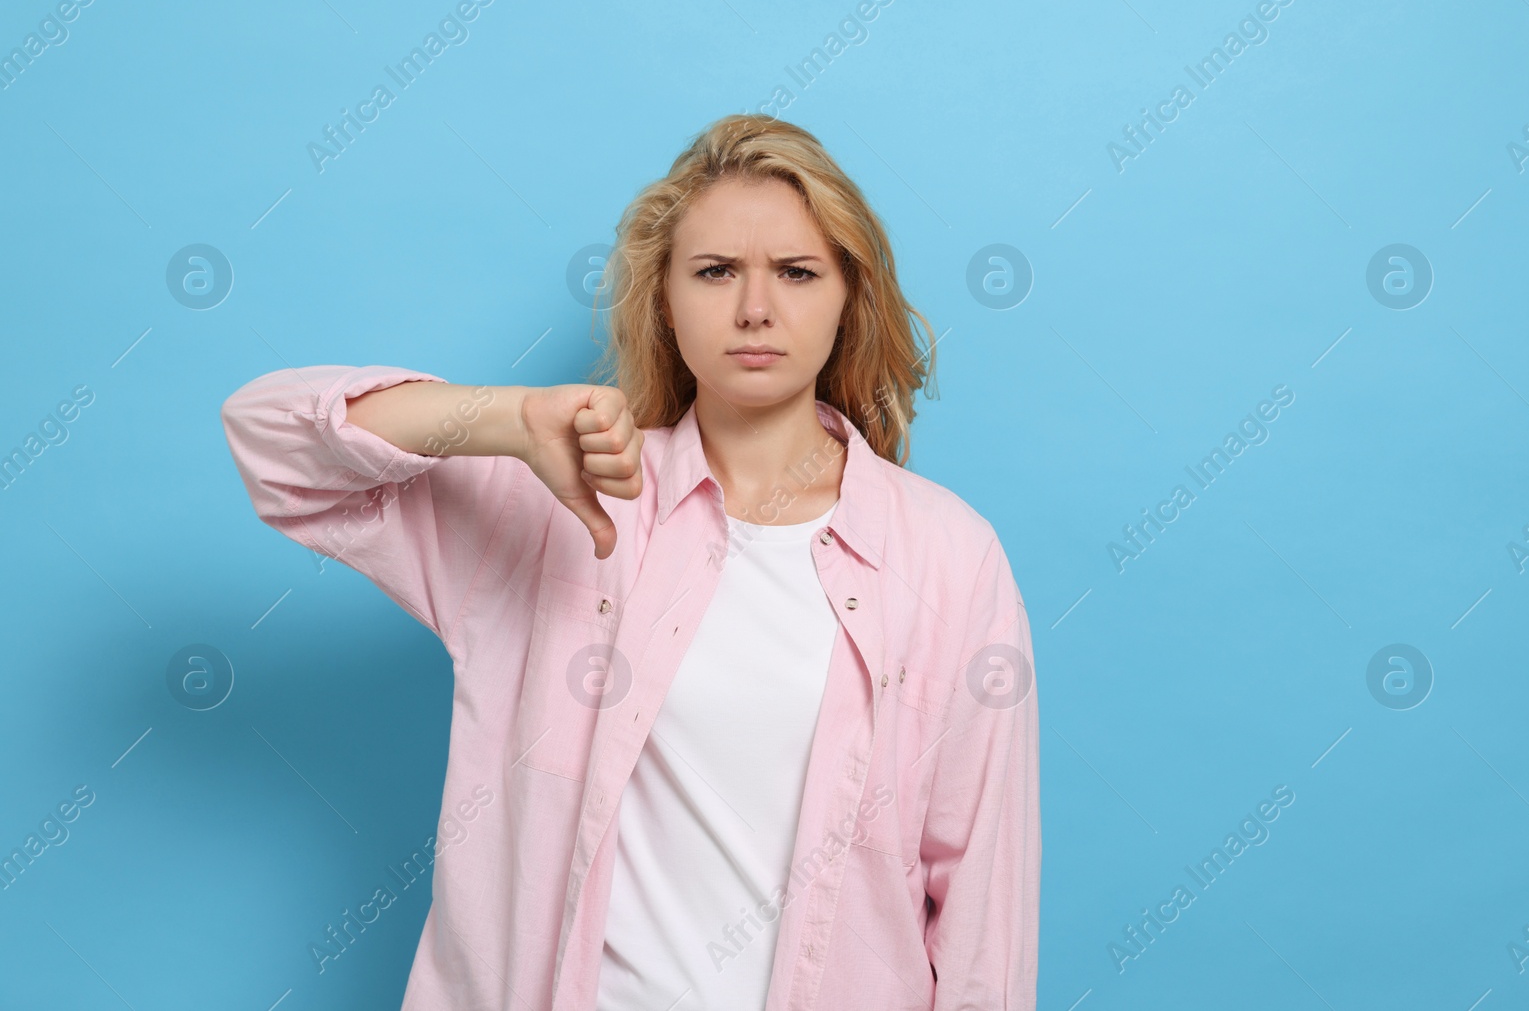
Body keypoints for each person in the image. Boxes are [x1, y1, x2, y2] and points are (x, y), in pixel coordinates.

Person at [220, 113, 1039, 1010]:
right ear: (664, 297)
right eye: (716, 270)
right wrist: (506, 421)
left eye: (797, 272)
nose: (755, 307)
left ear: (850, 298)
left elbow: (981, 922)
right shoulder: (561, 506)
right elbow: (273, 446)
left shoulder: (949, 556)